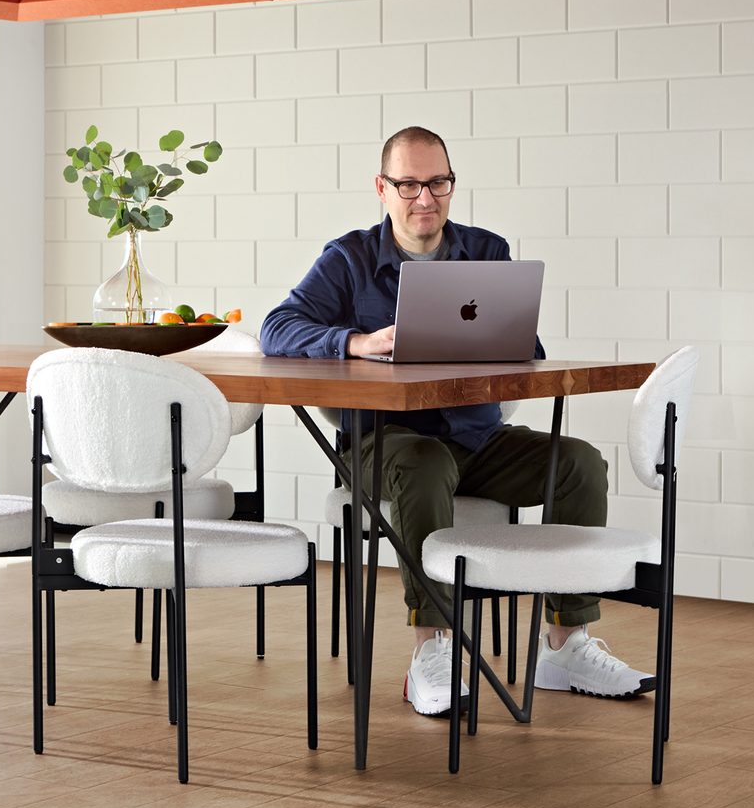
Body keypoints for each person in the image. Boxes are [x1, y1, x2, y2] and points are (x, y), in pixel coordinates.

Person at [260, 126, 653, 717]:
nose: (426, 198)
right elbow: (278, 328)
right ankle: (432, 647)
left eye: (438, 182)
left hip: (477, 438)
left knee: (578, 463)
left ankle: (565, 644)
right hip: (383, 444)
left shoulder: (488, 251)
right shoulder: (349, 259)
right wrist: (358, 341)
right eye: (409, 184)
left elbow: (530, 349)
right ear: (382, 188)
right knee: (423, 461)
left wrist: (510, 337)